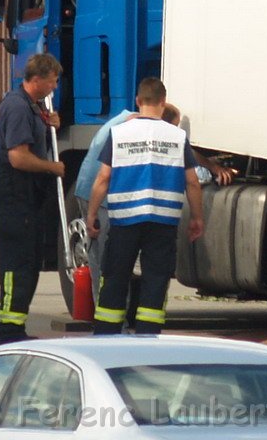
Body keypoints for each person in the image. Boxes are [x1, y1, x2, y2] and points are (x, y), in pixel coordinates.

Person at [73, 102, 232, 303]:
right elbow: (103, 178)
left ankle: (112, 317)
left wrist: (210, 165)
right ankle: (107, 316)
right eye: (172, 128)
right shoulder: (130, 127)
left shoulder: (128, 121)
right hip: (97, 194)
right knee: (106, 264)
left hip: (103, 191)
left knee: (114, 265)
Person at [86, 77, 204, 334]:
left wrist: (92, 214)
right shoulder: (177, 136)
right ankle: (148, 335)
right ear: (163, 103)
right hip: (163, 222)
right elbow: (192, 182)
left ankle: (106, 333)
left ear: (138, 101)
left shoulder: (118, 134)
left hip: (125, 220)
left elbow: (103, 178)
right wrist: (197, 218)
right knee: (156, 278)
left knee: (115, 276)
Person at [0, 53, 65, 344]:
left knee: (30, 260)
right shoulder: (18, 107)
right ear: (38, 80)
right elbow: (18, 157)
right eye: (52, 81)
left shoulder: (32, 107)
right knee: (16, 262)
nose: (54, 88)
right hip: (14, 189)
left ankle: (16, 325)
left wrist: (50, 124)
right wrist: (52, 168)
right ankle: (8, 328)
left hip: (27, 191)